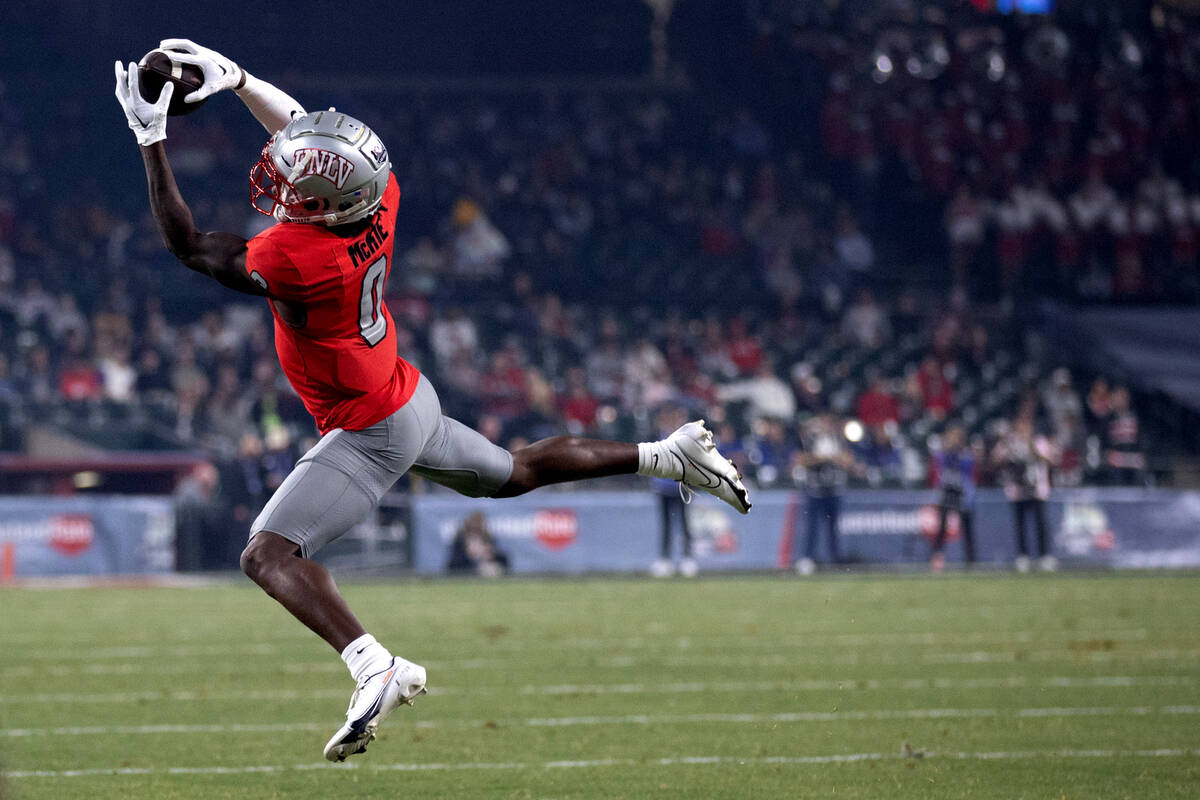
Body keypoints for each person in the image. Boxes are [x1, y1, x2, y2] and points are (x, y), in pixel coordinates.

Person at [115, 39, 750, 763]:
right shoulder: (379, 194)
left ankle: (374, 665)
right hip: (406, 395)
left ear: (325, 206)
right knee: (516, 473)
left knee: (267, 554)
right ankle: (667, 454)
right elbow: (308, 133)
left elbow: (189, 246)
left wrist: (151, 137)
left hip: (371, 426)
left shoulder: (296, 256)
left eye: (298, 192)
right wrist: (238, 80)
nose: (284, 189)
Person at [991, 417, 1057, 572]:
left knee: (1040, 523)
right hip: (1018, 490)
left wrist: (1031, 447)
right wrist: (1008, 447)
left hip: (1036, 489)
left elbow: (1050, 460)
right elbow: (995, 460)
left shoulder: (1038, 441)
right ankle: (1023, 556)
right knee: (1020, 525)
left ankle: (1044, 556)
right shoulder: (1010, 442)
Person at [794, 414, 854, 575]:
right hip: (816, 490)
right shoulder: (809, 440)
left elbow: (848, 460)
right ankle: (807, 558)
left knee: (833, 528)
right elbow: (800, 460)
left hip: (834, 489)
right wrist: (822, 459)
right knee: (812, 527)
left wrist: (830, 458)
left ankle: (835, 559)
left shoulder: (839, 439)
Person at [648, 406, 697, 578]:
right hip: (663, 487)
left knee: (684, 524)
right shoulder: (657, 437)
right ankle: (665, 559)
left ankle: (687, 558)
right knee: (666, 525)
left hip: (681, 486)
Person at [928, 425, 977, 572]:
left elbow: (970, 472)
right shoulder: (942, 455)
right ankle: (938, 558)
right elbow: (936, 471)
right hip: (947, 492)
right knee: (942, 527)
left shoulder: (966, 455)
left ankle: (971, 560)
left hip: (962, 493)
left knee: (967, 528)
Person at [445, 511, 509, 577]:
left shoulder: (488, 539)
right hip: (467, 571)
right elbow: (453, 565)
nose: (476, 525)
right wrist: (471, 557)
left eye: (479, 523)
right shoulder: (460, 541)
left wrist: (489, 555)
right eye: (474, 523)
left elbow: (502, 559)